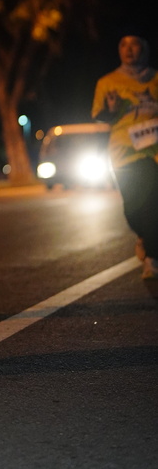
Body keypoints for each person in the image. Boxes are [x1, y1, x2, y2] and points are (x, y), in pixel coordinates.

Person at [91, 33, 158, 292]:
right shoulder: (107, 82)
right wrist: (111, 108)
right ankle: (143, 235)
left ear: (145, 48)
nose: (129, 49)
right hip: (124, 151)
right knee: (132, 207)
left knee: (152, 203)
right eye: (123, 45)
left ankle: (152, 258)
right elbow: (100, 116)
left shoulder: (155, 78)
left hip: (153, 153)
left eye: (135, 44)